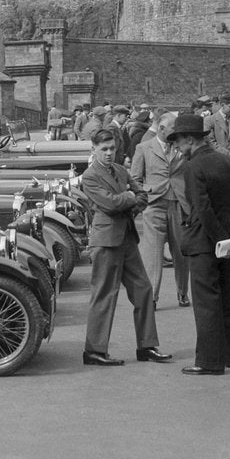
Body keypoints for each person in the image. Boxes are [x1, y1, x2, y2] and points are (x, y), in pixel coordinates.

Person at [80, 129, 171, 367]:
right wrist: (129, 197)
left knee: (144, 290)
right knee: (104, 294)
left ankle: (147, 345)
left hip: (127, 238)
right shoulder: (90, 176)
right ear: (94, 149)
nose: (109, 153)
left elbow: (142, 195)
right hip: (106, 241)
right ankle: (94, 350)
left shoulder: (120, 170)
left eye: (112, 149)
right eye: (104, 149)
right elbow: (108, 203)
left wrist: (128, 199)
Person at [169, 113, 230, 376]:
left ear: (190, 140)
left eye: (179, 141)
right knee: (225, 300)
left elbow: (201, 210)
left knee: (205, 303)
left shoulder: (193, 167)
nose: (178, 146)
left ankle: (208, 361)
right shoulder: (226, 162)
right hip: (227, 243)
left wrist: (220, 241)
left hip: (204, 244)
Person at [130, 112, 190, 307]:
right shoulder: (144, 148)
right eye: (173, 128)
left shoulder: (182, 147)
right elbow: (135, 179)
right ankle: (152, 297)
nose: (176, 132)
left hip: (179, 204)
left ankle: (182, 292)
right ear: (162, 129)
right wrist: (143, 197)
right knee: (153, 253)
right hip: (154, 204)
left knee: (181, 251)